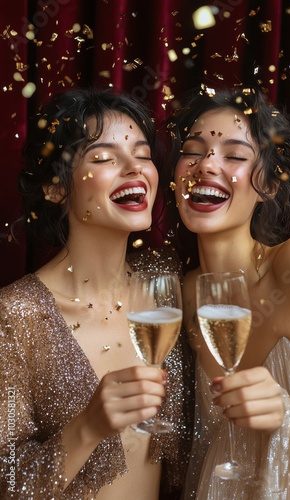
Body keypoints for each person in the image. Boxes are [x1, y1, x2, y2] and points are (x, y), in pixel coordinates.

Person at [0, 88, 193, 499]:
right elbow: (8, 484)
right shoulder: (17, 314)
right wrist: (87, 426)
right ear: (55, 189)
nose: (134, 169)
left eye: (142, 154)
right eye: (104, 158)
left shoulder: (166, 283)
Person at [164, 85, 290, 498]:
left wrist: (287, 416)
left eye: (233, 155)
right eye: (193, 150)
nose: (206, 165)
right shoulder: (181, 295)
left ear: (269, 184)